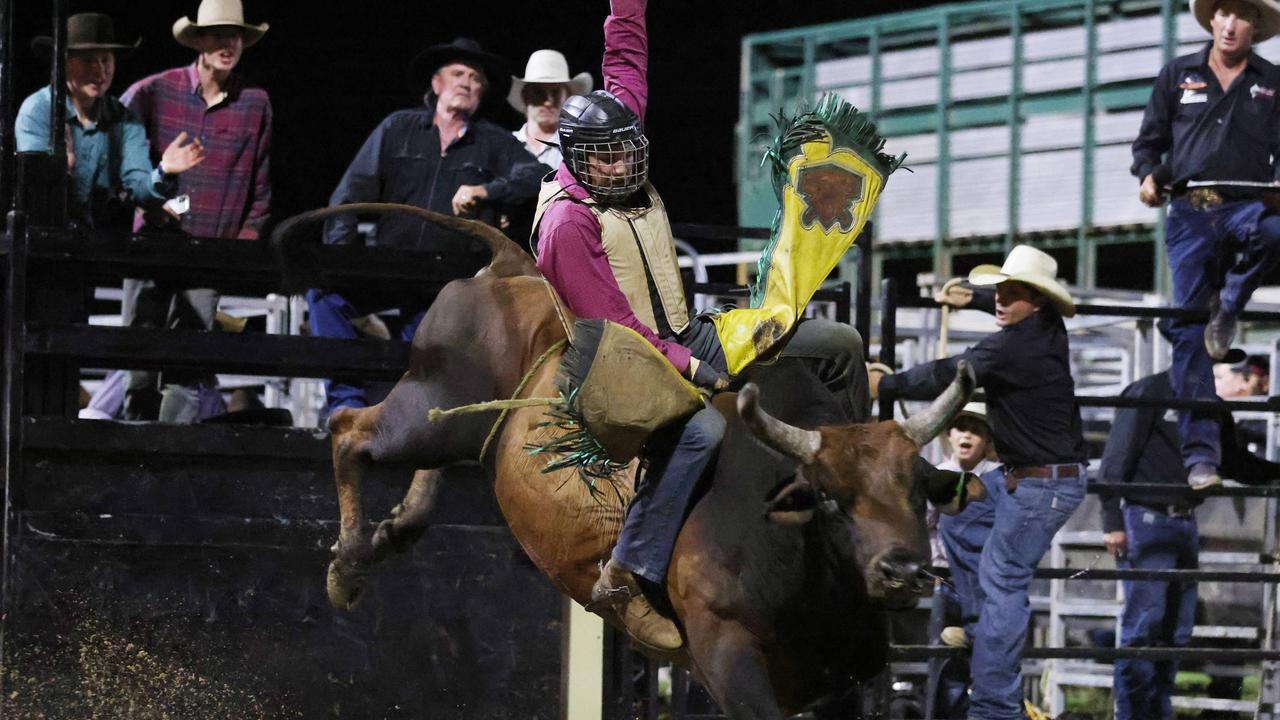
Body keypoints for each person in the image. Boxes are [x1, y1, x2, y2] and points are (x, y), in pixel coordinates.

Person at [532, 0, 872, 652]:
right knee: (703, 428)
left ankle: (845, 481)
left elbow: (626, 62)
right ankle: (629, 569)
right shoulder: (567, 222)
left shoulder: (612, 147)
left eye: (626, 151)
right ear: (576, 158)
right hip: (618, 359)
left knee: (840, 343)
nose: (623, 166)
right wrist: (690, 367)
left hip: (688, 330)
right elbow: (616, 324)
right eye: (607, 158)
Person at [874, 244, 1088, 720]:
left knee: (1002, 580)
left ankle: (994, 708)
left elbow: (953, 372)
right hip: (1033, 480)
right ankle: (978, 627)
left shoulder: (1012, 346)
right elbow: (1005, 311)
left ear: (1036, 300)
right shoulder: (1045, 328)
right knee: (959, 516)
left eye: (1012, 292)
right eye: (999, 291)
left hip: (1039, 486)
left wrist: (886, 386)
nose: (999, 299)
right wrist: (970, 297)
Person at [309, 37, 544, 415]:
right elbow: (348, 196)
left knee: (417, 371)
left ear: (482, 92)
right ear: (436, 84)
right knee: (324, 295)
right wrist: (345, 260)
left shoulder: (493, 141)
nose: (467, 82)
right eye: (457, 74)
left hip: (447, 285)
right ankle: (344, 403)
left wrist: (488, 189)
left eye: (475, 78)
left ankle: (400, 421)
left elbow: (537, 175)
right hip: (389, 268)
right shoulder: (398, 127)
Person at [1130, 0, 1280, 490]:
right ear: (1211, 20)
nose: (1231, 23)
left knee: (1275, 231)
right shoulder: (1177, 74)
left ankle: (1231, 304)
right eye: (1223, 13)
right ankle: (1201, 459)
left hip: (1249, 204)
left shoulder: (1272, 81)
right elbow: (1147, 144)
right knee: (1188, 331)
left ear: (1256, 25)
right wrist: (1148, 176)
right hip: (1191, 210)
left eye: (1242, 15)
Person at [116, 0, 273, 423]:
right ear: (198, 41)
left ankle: (170, 452)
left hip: (209, 249)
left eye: (236, 35)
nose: (229, 43)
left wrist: (241, 246)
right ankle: (134, 448)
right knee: (140, 353)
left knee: (190, 357)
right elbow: (120, 167)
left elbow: (259, 185)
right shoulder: (153, 91)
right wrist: (150, 199)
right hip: (151, 241)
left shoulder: (255, 102)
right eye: (219, 34)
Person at [1099, 368, 1280, 720]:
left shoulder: (1208, 402)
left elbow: (1232, 461)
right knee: (1147, 627)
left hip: (1174, 519)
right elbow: (1119, 455)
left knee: (1171, 630)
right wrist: (1112, 519)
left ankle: (1151, 713)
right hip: (1149, 515)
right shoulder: (1153, 390)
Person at [15, 12, 206, 230]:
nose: (100, 71)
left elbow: (140, 191)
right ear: (64, 64)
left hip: (98, 246)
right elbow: (36, 194)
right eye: (88, 61)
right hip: (44, 242)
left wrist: (164, 169)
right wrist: (63, 167)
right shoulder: (38, 111)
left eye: (105, 60)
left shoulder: (124, 120)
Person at [926, 403, 1002, 720]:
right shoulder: (937, 476)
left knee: (986, 660)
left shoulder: (996, 480)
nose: (967, 435)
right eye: (961, 428)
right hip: (947, 578)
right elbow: (924, 523)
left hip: (985, 581)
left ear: (987, 440)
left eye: (976, 430)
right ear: (950, 435)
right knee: (946, 664)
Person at [508, 49, 591, 169]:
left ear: (567, 97)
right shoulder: (505, 145)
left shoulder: (578, 150)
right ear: (525, 97)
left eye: (556, 92)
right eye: (538, 92)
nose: (548, 102)